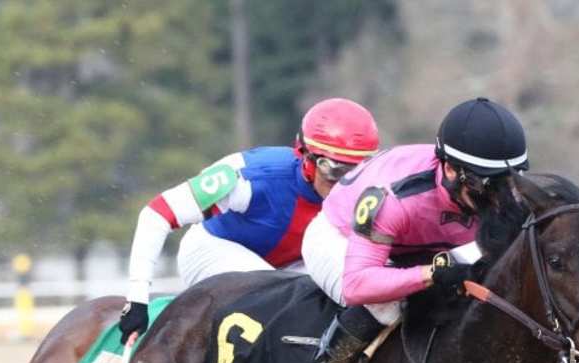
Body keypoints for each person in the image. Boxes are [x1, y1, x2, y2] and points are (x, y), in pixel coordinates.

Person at [274, 97, 529, 363]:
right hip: (343, 239)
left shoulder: (487, 186)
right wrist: (428, 274)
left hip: (420, 242)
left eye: (507, 183)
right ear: (452, 172)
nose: (499, 198)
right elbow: (359, 283)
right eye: (488, 187)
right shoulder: (394, 196)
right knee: (389, 301)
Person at [118, 98, 381, 343]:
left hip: (289, 265)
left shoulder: (371, 189)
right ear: (306, 157)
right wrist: (137, 298)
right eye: (333, 169)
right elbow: (155, 214)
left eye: (358, 171)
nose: (346, 184)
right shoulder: (251, 176)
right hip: (213, 249)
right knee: (281, 298)